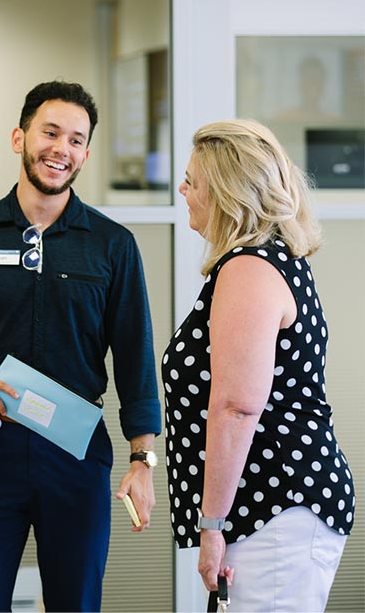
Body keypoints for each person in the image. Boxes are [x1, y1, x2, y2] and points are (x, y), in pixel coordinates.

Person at [0, 80, 161, 612]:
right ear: (19, 137)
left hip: (76, 452)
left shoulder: (112, 245)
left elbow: (135, 358)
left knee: (75, 604)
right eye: (50, 133)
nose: (61, 149)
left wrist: (143, 461)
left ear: (86, 154)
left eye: (75, 140)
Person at [165, 119, 354, 611]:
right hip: (271, 506)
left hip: (275, 507)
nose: (182, 190)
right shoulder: (270, 261)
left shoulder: (250, 268)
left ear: (227, 194)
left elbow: (235, 408)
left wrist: (211, 525)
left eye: (193, 181)